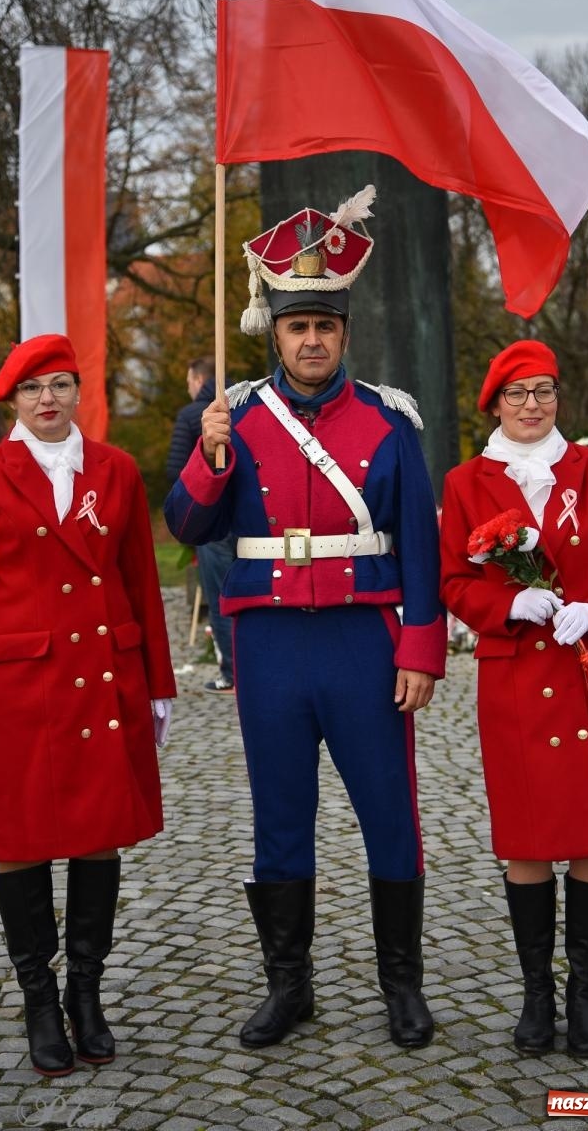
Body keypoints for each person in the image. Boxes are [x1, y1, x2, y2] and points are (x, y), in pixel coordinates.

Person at [164, 185, 447, 1049]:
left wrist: (421, 648)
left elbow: (420, 543)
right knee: (280, 817)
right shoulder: (235, 415)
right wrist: (211, 457)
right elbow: (186, 527)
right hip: (271, 645)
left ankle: (402, 987)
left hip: (364, 644)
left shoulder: (390, 421)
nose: (312, 340)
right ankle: (289, 987)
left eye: (325, 326)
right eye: (297, 327)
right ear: (275, 332)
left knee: (389, 814)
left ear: (344, 334)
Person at [0, 334, 176, 1078]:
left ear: (79, 392)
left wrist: (159, 682)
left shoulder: (116, 469)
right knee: (21, 843)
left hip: (104, 679)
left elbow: (140, 579)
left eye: (61, 385)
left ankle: (85, 993)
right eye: (33, 388)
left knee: (98, 837)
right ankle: (40, 1001)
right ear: (13, 400)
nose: (49, 399)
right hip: (18, 692)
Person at [439, 340, 588, 1059]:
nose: (532, 405)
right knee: (528, 841)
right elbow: (454, 580)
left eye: (543, 391)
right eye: (517, 393)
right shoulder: (466, 482)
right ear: (495, 405)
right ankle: (537, 993)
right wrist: (508, 604)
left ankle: (584, 994)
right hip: (516, 681)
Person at [166, 357, 236, 693]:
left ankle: (232, 673)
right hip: (253, 522)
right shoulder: (250, 405)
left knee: (221, 597)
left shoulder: (191, 414)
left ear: (198, 380)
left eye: (188, 382)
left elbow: (176, 469)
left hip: (213, 521)